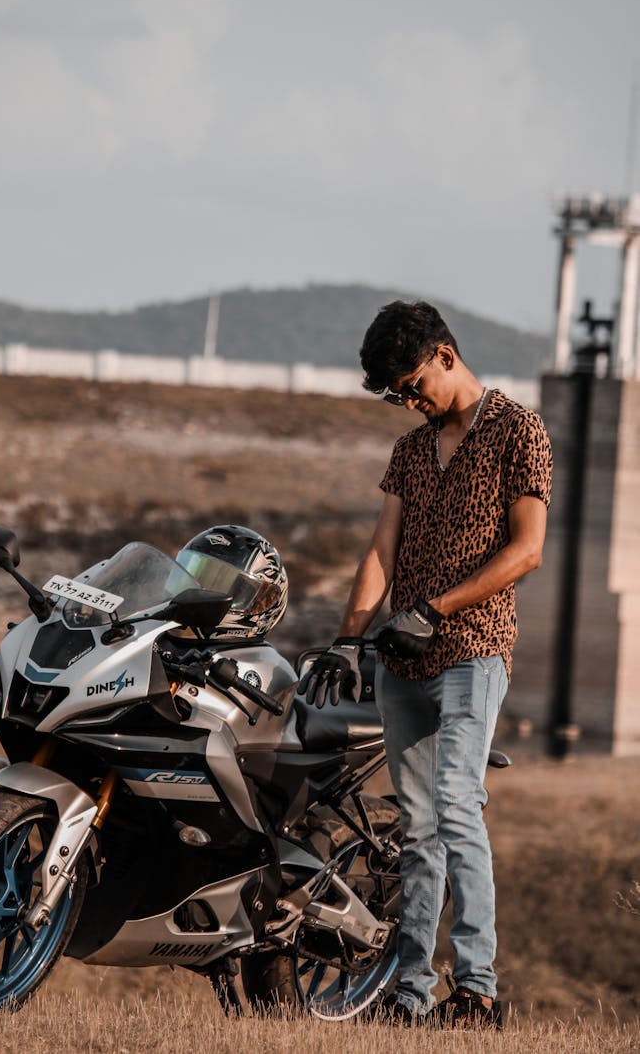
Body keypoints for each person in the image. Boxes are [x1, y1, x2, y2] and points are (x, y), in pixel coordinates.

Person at [298, 300, 552, 1028]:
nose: (410, 401)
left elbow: (527, 550)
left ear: (445, 353)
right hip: (400, 660)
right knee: (416, 827)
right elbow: (381, 552)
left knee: (456, 806)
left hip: (473, 649)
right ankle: (410, 994)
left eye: (413, 384)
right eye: (398, 395)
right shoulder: (411, 450)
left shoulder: (518, 430)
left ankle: (476, 990)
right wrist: (349, 637)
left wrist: (435, 608)